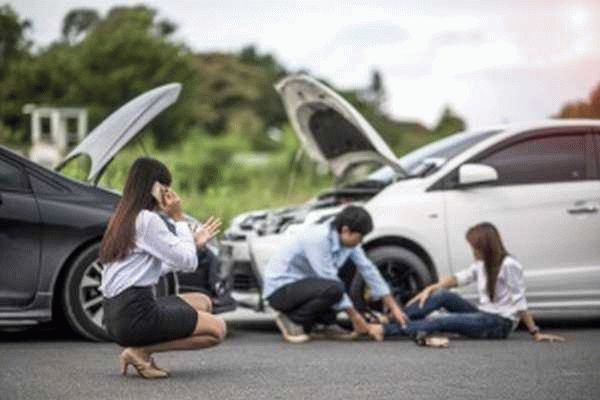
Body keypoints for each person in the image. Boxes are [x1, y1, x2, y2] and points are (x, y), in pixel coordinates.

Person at [99, 157, 226, 379]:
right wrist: (178, 218)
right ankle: (140, 351)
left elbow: (158, 267)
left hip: (115, 313)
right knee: (217, 330)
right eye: (165, 187)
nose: (169, 193)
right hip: (134, 314)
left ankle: (139, 349)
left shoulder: (123, 217)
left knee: (202, 301)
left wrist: (193, 243)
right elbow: (188, 263)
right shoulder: (148, 220)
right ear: (154, 188)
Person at [368, 222, 565, 347]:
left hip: (498, 325)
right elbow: (458, 279)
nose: (472, 250)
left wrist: (535, 332)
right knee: (441, 295)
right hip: (484, 315)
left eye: (475, 247)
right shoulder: (482, 264)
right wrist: (431, 288)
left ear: (485, 247)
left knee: (442, 320)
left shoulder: (509, 265)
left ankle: (385, 330)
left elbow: (520, 302)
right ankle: (391, 319)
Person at [263, 205, 407, 343]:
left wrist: (394, 307)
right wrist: (356, 318)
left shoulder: (348, 243)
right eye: (360, 236)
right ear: (346, 230)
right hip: (280, 290)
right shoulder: (318, 238)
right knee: (334, 288)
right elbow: (328, 278)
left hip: (304, 287)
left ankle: (324, 323)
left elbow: (368, 269)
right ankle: (292, 320)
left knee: (349, 269)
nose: (361, 241)